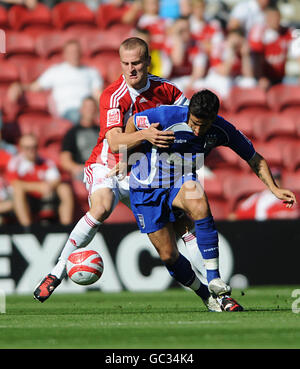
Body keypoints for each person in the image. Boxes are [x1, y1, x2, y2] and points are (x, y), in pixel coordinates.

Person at [33, 37, 219, 311]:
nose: (130, 70)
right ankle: (57, 272)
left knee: (180, 233)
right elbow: (116, 140)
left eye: (136, 64)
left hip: (145, 173)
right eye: (126, 64)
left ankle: (212, 294)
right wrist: (145, 136)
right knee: (102, 206)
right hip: (108, 164)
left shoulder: (167, 90)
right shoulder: (113, 94)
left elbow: (188, 124)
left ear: (148, 62)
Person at [111, 89, 297, 312]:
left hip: (180, 181)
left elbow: (253, 158)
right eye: (194, 123)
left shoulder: (221, 129)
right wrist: (125, 159)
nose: (198, 131)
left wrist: (274, 189)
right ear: (188, 112)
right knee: (168, 255)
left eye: (204, 125)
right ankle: (205, 295)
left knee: (199, 201)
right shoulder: (164, 116)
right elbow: (131, 123)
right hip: (146, 188)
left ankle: (215, 279)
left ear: (214, 118)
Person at [7, 39, 104, 125]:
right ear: (64, 54)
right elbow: (36, 87)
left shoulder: (91, 72)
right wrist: (18, 86)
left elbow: (98, 94)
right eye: (71, 52)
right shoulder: (56, 71)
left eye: (76, 51)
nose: (74, 54)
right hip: (69, 111)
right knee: (82, 119)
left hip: (90, 110)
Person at [6, 133, 74, 230]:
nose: (31, 150)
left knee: (64, 188)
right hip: (25, 197)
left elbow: (56, 178)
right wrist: (37, 187)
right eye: (27, 148)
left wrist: (49, 186)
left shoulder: (45, 161)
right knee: (18, 190)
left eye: (34, 147)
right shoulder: (15, 162)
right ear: (21, 148)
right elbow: (14, 183)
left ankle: (66, 227)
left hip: (44, 195)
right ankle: (27, 228)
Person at [248, 5, 300, 90]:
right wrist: (260, 78)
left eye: (277, 17)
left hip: (280, 77)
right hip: (262, 77)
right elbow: (256, 57)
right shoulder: (259, 32)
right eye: (272, 17)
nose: (275, 20)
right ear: (266, 19)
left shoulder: (287, 32)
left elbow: (298, 53)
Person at [229, 168, 300, 220]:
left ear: (281, 180)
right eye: (271, 178)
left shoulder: (290, 197)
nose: (275, 181)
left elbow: (294, 216)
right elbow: (235, 216)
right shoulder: (257, 198)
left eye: (277, 178)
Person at [60, 96, 99, 181]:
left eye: (92, 107)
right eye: (87, 107)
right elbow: (65, 160)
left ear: (96, 110)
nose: (90, 110)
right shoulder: (72, 132)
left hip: (101, 168)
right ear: (80, 110)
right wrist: (76, 168)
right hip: (83, 171)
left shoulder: (102, 131)